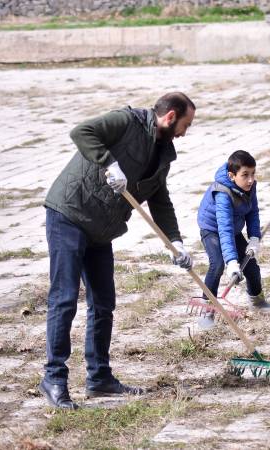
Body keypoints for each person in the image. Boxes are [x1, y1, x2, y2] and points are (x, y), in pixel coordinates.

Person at [41, 92, 196, 409]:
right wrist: (109, 163)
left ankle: (99, 378)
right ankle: (54, 378)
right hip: (70, 213)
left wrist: (175, 242)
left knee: (103, 303)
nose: (185, 131)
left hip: (101, 228)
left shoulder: (163, 152)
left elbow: (160, 200)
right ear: (170, 117)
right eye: (185, 124)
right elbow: (81, 131)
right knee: (65, 298)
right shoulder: (126, 121)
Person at [196, 150, 270, 329]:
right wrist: (231, 262)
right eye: (245, 175)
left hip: (234, 227)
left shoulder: (250, 185)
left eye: (253, 174)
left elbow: (252, 212)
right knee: (217, 265)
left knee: (251, 265)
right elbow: (224, 229)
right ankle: (207, 311)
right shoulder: (222, 194)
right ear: (232, 176)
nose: (250, 179)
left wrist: (254, 237)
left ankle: (257, 300)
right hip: (213, 229)